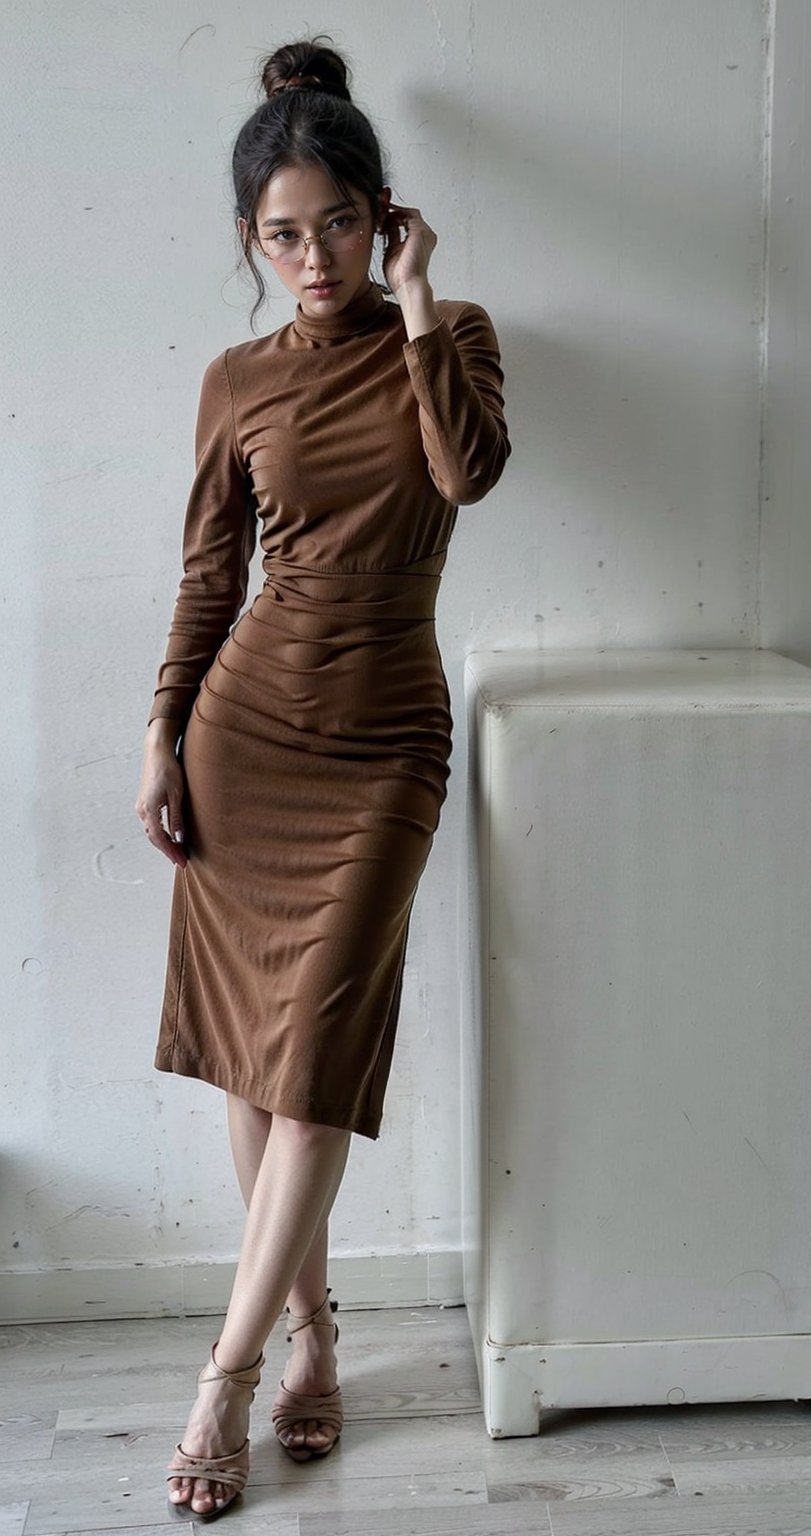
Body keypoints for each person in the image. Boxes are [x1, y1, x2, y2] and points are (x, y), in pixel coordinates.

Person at [134, 34, 511, 1521]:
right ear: (251, 238)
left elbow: (468, 472)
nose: (315, 255)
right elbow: (207, 572)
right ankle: (302, 1337)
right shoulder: (235, 380)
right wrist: (161, 730)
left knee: (317, 1077)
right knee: (253, 1059)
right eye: (284, 234)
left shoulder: (456, 330)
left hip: (385, 746)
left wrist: (417, 305)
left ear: (387, 214)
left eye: (340, 224)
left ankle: (216, 1384)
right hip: (248, 737)